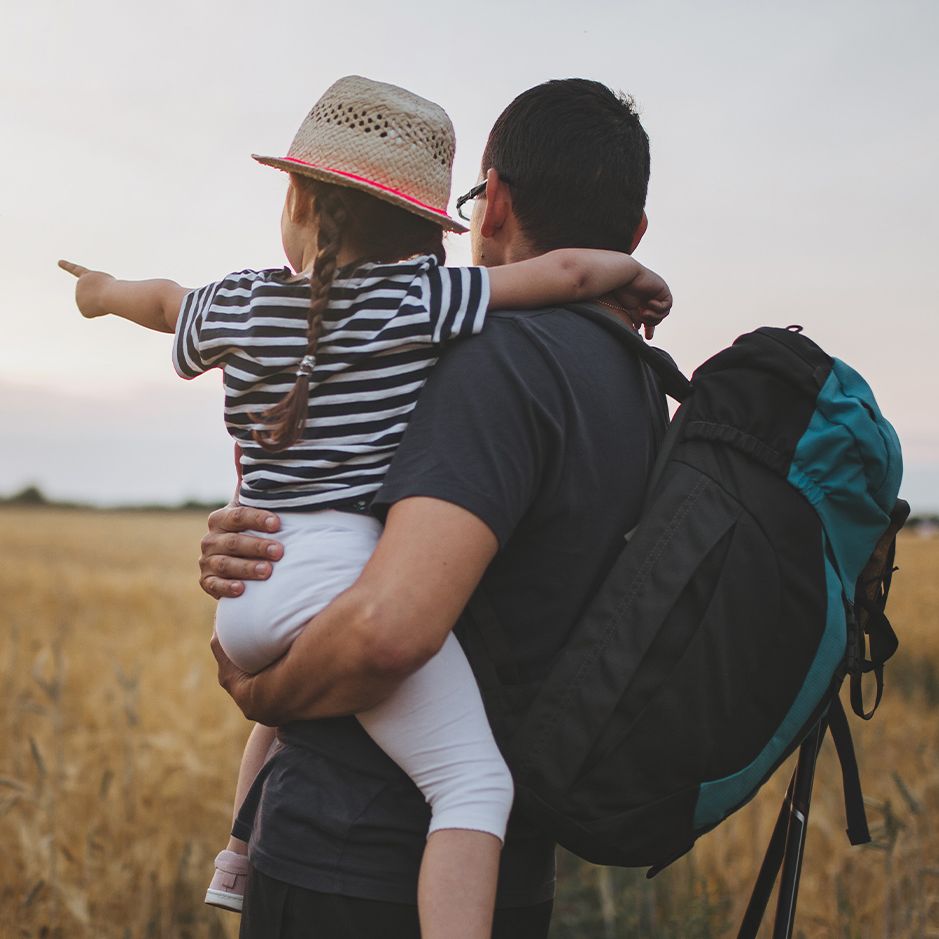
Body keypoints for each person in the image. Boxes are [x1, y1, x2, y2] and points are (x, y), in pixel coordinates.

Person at [58, 76, 671, 939]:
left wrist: (261, 688)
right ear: (634, 234)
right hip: (510, 874)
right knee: (475, 786)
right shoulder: (640, 385)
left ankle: (233, 850)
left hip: (355, 866)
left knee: (468, 779)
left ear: (492, 201)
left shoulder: (490, 358)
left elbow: (386, 626)